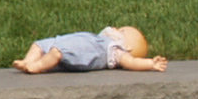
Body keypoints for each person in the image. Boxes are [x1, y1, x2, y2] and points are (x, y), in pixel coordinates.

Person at [13, 25, 167, 73]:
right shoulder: (99, 38)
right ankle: (27, 61)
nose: (115, 28)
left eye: (121, 31)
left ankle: (37, 66)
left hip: (86, 53)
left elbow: (131, 62)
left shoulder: (115, 50)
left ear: (127, 47)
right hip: (68, 42)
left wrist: (150, 64)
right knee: (39, 45)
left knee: (57, 52)